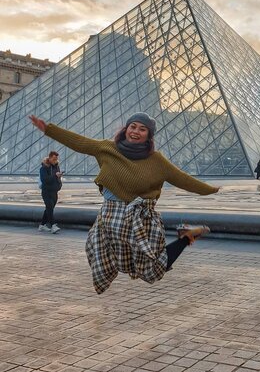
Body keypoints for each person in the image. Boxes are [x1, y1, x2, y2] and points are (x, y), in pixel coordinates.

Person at [29, 112, 219, 294]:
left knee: (151, 269)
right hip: (110, 217)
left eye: (142, 129)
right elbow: (79, 142)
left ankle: (186, 237)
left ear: (149, 135)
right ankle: (184, 235)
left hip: (140, 219)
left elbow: (182, 178)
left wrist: (208, 189)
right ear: (126, 129)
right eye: (132, 126)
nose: (135, 131)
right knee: (98, 258)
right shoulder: (107, 148)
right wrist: (49, 129)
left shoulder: (156, 160)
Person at [38, 151, 63, 234]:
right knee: (49, 207)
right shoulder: (43, 168)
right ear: (49, 157)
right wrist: (55, 176)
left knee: (49, 208)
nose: (55, 160)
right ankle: (53, 226)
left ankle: (42, 225)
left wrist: (59, 183)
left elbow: (57, 179)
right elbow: (45, 180)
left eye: (56, 159)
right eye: (54, 159)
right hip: (46, 191)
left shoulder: (56, 167)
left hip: (54, 192)